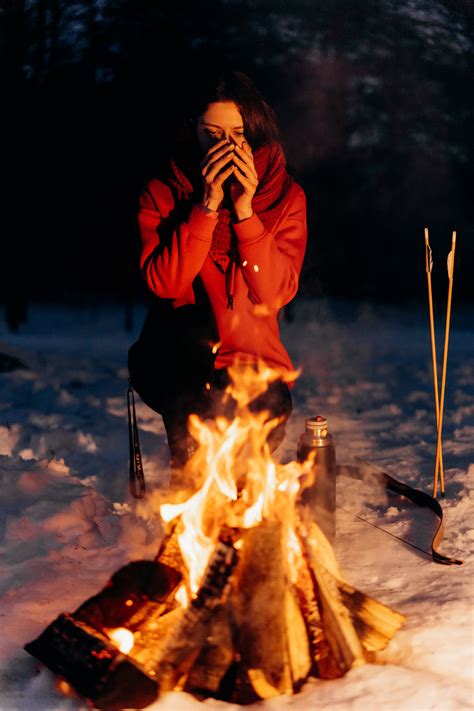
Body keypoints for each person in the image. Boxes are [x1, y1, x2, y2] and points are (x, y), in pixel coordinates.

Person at [128, 70, 307, 480]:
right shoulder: (162, 191)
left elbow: (275, 292)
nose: (224, 145)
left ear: (254, 133)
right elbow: (164, 284)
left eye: (236, 133)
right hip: (179, 361)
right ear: (192, 130)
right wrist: (206, 206)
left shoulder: (285, 196)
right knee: (190, 407)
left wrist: (245, 212)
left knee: (250, 451)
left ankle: (245, 500)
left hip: (254, 362)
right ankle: (188, 490)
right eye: (212, 133)